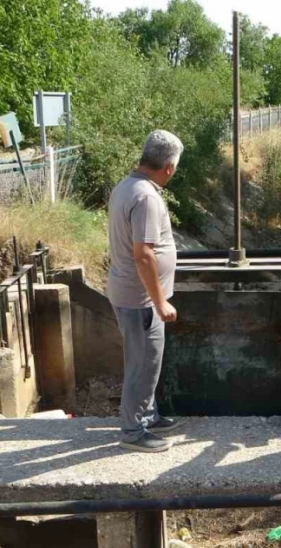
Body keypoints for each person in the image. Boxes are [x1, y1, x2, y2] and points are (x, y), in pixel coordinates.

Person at [107, 130, 185, 453]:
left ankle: (148, 415)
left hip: (129, 293)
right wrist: (160, 301)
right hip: (140, 300)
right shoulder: (147, 197)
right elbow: (143, 254)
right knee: (143, 364)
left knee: (146, 360)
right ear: (168, 167)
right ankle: (132, 430)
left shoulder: (127, 187)